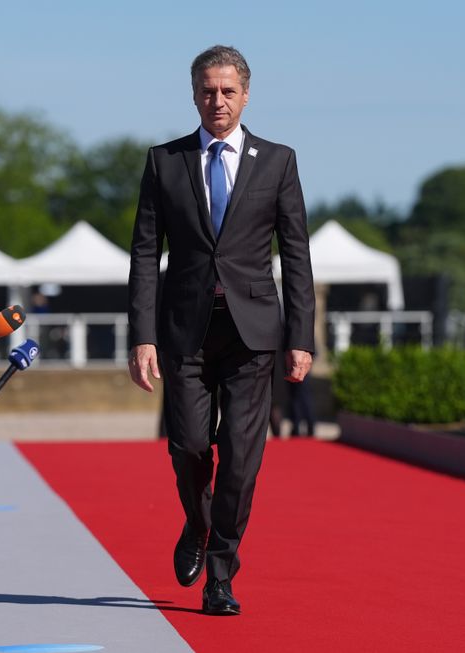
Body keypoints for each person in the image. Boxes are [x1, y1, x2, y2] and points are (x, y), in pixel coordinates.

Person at [128, 45, 315, 616]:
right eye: (208, 90)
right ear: (193, 94)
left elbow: (296, 253)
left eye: (228, 90)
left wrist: (301, 336)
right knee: (187, 446)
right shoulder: (165, 160)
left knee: (239, 459)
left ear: (246, 94)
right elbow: (143, 253)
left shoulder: (278, 161)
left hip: (253, 333)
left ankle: (220, 573)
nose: (217, 101)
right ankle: (197, 523)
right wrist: (141, 335)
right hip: (183, 329)